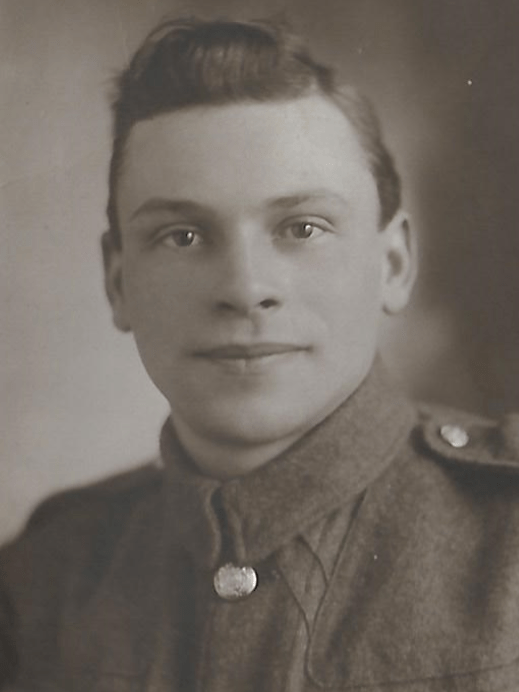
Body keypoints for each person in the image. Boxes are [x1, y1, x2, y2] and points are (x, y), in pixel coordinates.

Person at [1, 15, 519, 692]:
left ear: (393, 264)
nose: (245, 289)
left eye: (302, 227)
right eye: (183, 236)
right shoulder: (45, 578)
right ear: (117, 282)